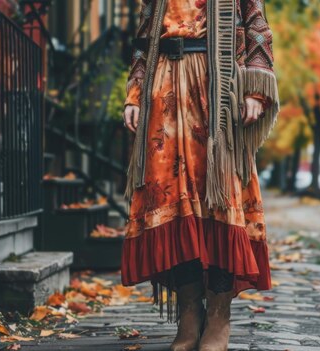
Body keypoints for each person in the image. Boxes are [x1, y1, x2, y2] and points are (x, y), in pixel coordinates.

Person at [121, 0, 279, 350]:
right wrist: (134, 94)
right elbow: (145, 36)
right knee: (172, 201)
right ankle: (190, 312)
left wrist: (254, 89)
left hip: (216, 89)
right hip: (163, 89)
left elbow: (257, 26)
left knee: (219, 196)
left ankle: (219, 315)